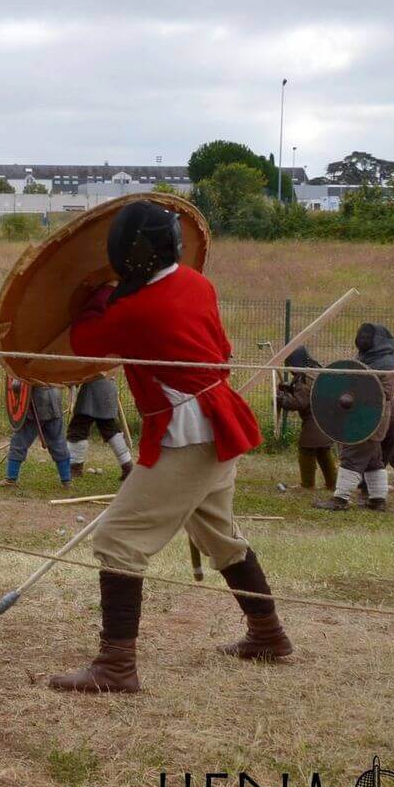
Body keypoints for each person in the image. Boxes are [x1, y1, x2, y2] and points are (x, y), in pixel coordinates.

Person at [48, 199, 290, 694]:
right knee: (219, 536)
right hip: (218, 423)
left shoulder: (137, 309)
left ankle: (116, 666)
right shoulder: (198, 283)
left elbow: (86, 341)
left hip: (189, 434)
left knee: (118, 540)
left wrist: (96, 296)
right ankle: (268, 634)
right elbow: (221, 349)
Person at [315, 324, 394, 512]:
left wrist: (359, 392)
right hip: (358, 416)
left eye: (368, 337)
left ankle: (340, 499)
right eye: (362, 335)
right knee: (373, 460)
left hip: (370, 419)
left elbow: (386, 392)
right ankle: (378, 500)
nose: (363, 339)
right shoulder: (364, 358)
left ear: (379, 341)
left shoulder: (387, 364)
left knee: (352, 456)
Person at [275, 346, 337, 493]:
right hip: (326, 417)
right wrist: (289, 389)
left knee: (306, 448)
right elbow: (307, 394)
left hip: (314, 419)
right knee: (323, 449)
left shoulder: (304, 377)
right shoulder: (314, 370)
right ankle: (333, 484)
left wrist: (283, 400)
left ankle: (308, 485)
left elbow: (300, 402)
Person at [0, 379, 74, 487]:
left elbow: (18, 381)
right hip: (54, 399)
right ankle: (66, 481)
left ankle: (10, 479)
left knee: (19, 441)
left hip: (35, 403)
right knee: (58, 442)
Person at [67, 373, 134, 479]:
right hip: (108, 386)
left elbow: (85, 369)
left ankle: (75, 468)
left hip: (93, 388)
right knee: (110, 429)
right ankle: (127, 465)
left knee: (78, 428)